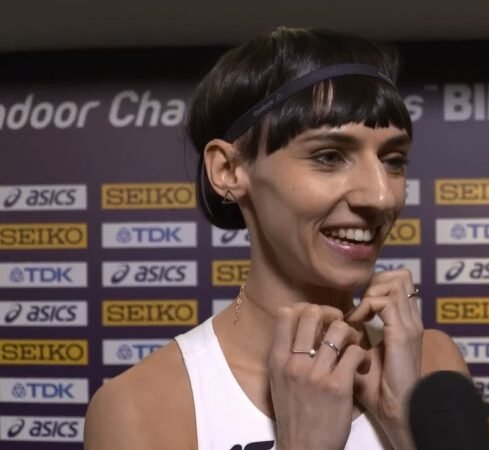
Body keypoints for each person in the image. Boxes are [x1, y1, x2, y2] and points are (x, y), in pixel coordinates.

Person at [84, 27, 468, 450]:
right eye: (329, 156)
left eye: (393, 160)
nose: (380, 196)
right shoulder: (142, 405)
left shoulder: (433, 365)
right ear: (228, 170)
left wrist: (407, 428)